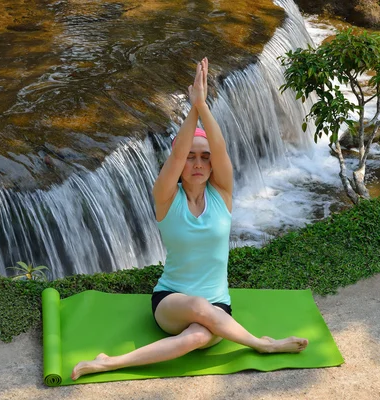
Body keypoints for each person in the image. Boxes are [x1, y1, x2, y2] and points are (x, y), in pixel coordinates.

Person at [71, 57, 308, 381]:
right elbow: (177, 153)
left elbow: (221, 148)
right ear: (181, 163)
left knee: (197, 338)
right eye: (190, 157)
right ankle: (262, 344)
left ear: (212, 165)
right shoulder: (166, 198)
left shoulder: (221, 194)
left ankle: (108, 362)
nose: (197, 163)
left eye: (205, 157)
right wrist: (192, 110)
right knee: (197, 307)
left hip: (220, 307)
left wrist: (202, 105)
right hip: (171, 302)